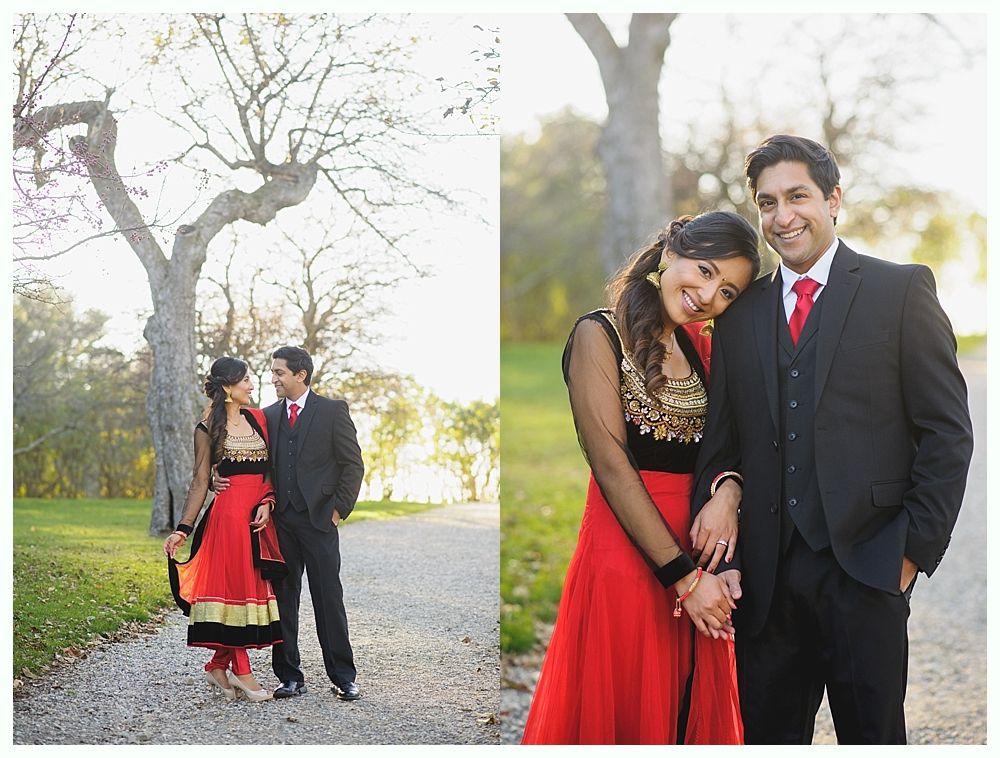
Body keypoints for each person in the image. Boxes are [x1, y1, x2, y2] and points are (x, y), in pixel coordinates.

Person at [692, 134, 974, 744]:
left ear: (834, 199)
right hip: (765, 588)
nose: (782, 216)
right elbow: (722, 446)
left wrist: (908, 554)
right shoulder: (738, 316)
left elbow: (947, 433)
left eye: (798, 196)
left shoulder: (899, 291)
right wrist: (726, 533)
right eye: (767, 203)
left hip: (868, 573)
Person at [521, 211, 762, 745]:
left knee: (683, 715)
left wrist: (729, 492)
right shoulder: (598, 334)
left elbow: (733, 447)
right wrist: (684, 580)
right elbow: (611, 466)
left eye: (726, 291)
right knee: (627, 710)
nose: (707, 295)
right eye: (703, 270)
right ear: (671, 252)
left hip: (700, 557)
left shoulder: (703, 351)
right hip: (626, 555)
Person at [217, 346, 365, 701]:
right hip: (280, 523)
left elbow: (353, 464)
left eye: (279, 373)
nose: (273, 379)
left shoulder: (332, 411)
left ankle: (343, 676)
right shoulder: (265, 416)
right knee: (283, 599)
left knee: (328, 597)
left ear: (301, 375)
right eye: (271, 372)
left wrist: (337, 511)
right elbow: (244, 459)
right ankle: (289, 676)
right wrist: (213, 479)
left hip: (319, 521)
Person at [164, 357, 285, 703]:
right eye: (245, 380)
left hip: (257, 520)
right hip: (226, 521)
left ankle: (218, 666)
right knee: (233, 589)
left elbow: (269, 472)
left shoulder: (258, 419)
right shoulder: (206, 428)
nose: (251, 385)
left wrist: (268, 502)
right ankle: (242, 673)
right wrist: (182, 529)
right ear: (229, 387)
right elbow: (201, 481)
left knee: (248, 590)